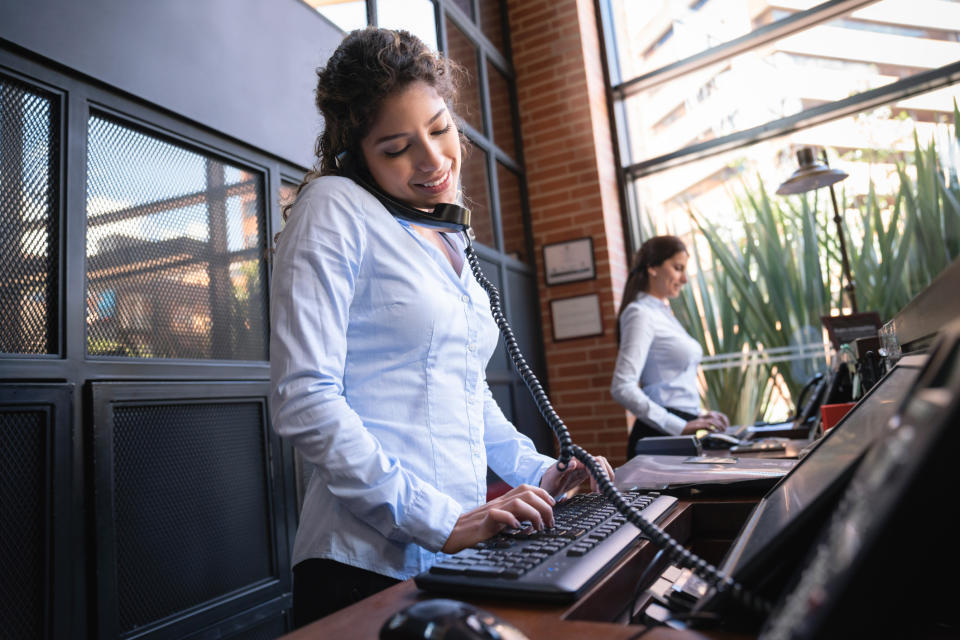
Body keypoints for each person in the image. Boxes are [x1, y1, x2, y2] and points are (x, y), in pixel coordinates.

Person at [269, 27, 613, 628]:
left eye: (439, 128)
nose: (432, 161)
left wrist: (541, 473)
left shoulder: (443, 232)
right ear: (355, 157)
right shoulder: (333, 208)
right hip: (363, 565)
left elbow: (463, 390)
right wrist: (442, 520)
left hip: (459, 552)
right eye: (397, 147)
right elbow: (305, 399)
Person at [609, 235, 729, 459]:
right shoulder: (640, 314)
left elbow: (673, 385)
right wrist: (677, 424)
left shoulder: (663, 314)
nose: (684, 278)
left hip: (678, 428)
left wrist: (699, 415)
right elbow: (621, 386)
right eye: (677, 268)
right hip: (660, 436)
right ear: (653, 268)